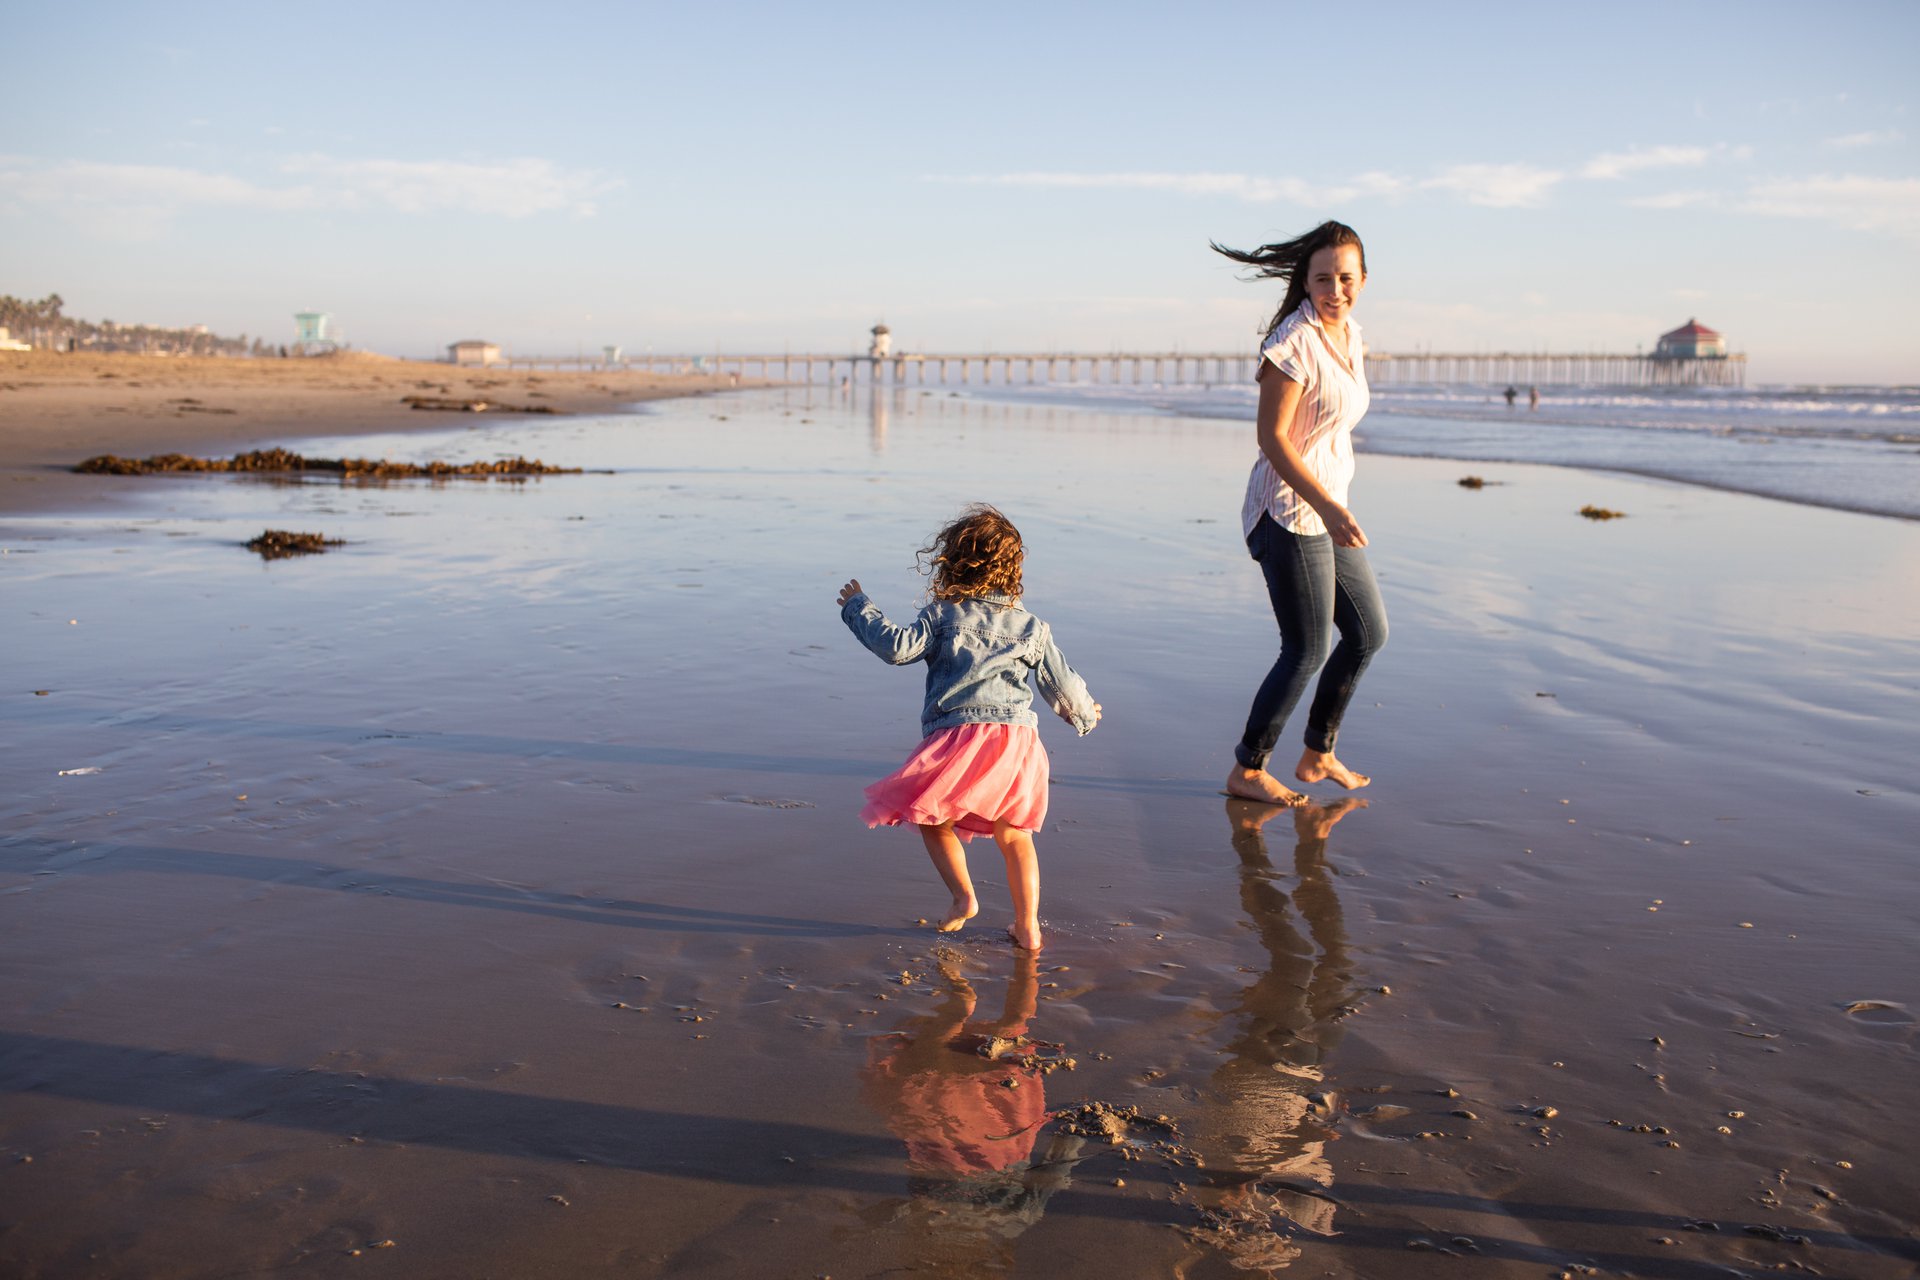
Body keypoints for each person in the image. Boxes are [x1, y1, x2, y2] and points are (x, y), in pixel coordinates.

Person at [837, 505, 1101, 950]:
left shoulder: (943, 615)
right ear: (1013, 570)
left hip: (960, 739)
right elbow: (1062, 683)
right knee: (1015, 834)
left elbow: (898, 648)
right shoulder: (1032, 626)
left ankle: (963, 898)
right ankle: (1029, 926)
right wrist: (1086, 714)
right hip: (1018, 744)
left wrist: (858, 608)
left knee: (933, 819)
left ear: (952, 562)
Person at [1210, 221, 1388, 807]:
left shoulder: (1351, 333)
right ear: (1305, 282)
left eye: (1345, 276)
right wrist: (1329, 508)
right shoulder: (1292, 342)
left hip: (1329, 511)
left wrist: (1336, 508)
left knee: (1367, 633)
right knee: (1306, 648)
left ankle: (1318, 752)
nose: (1335, 288)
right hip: (1287, 511)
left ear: (1363, 278)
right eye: (1323, 278)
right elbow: (1273, 438)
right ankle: (1249, 767)